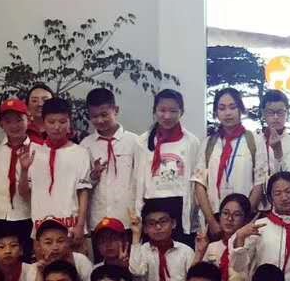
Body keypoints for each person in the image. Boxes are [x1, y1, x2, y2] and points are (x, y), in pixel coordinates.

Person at [21, 97, 92, 248]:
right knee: (43, 262)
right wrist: (24, 170)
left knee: (75, 263)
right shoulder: (33, 151)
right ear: (43, 123)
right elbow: (24, 193)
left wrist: (80, 225)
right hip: (41, 228)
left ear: (70, 122)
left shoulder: (81, 152)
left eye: (62, 121)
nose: (57, 127)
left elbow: (84, 192)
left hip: (71, 226)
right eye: (51, 122)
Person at [197, 88, 267, 238]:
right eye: (222, 108)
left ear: (241, 109)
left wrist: (243, 218)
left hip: (245, 220)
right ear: (216, 113)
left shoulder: (254, 141)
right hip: (215, 220)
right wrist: (212, 221)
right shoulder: (208, 143)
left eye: (232, 107)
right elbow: (199, 184)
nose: (227, 113)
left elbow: (259, 182)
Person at [140, 88, 204, 242]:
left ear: (181, 112)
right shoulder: (142, 141)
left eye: (173, 111)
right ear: (154, 111)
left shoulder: (192, 142)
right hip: (152, 204)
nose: (167, 116)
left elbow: (196, 179)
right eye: (162, 110)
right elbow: (138, 180)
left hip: (180, 206)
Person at [81, 87, 145, 241]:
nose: (100, 120)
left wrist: (139, 213)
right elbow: (82, 185)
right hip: (98, 219)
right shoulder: (85, 145)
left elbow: (140, 180)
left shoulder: (134, 142)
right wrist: (93, 176)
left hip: (128, 218)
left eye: (104, 115)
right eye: (94, 116)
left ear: (116, 110)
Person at [0, 98, 35, 259]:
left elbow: (30, 191)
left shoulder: (39, 150)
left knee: (25, 260)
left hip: (25, 215)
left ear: (29, 119)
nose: (14, 126)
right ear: (1, 124)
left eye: (19, 120)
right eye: (8, 121)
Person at [200, 193, 262, 281]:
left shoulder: (252, 245)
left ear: (246, 220)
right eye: (225, 213)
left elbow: (239, 268)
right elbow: (200, 280)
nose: (229, 219)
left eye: (236, 215)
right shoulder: (211, 247)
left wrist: (240, 238)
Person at [129, 203, 194, 281]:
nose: (158, 227)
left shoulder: (186, 251)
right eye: (152, 223)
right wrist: (136, 234)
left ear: (173, 223)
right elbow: (136, 271)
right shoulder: (142, 250)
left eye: (163, 221)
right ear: (145, 228)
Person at [29, 218, 94, 281]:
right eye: (48, 243)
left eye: (60, 241)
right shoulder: (35, 268)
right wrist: (40, 273)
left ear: (68, 242)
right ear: (39, 247)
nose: (55, 247)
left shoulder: (80, 260)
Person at [259, 89, 290, 189]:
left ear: (287, 113)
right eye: (270, 112)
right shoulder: (255, 140)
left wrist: (278, 153)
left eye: (280, 112)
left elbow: (288, 177)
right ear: (263, 113)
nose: (275, 117)